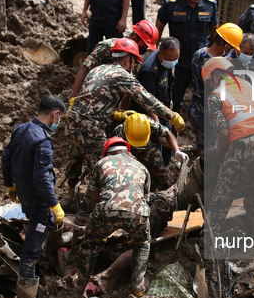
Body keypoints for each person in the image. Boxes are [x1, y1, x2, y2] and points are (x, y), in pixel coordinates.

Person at [67, 38, 185, 212]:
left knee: (76, 160)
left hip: (73, 122)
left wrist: (113, 113)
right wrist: (172, 115)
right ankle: (87, 216)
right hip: (91, 128)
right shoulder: (123, 75)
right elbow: (148, 100)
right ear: (128, 60)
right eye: (134, 63)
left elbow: (93, 99)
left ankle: (71, 199)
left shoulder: (98, 69)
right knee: (102, 171)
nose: (135, 67)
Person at [1, 96, 67, 298]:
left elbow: (6, 158)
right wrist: (54, 205)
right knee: (31, 251)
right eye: (60, 119)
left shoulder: (20, 130)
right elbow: (42, 179)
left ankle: (33, 291)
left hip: (26, 197)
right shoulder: (43, 141)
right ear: (55, 114)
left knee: (35, 243)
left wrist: (10, 185)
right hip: (39, 203)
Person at [73, 137, 152, 296]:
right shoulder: (143, 168)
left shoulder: (101, 164)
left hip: (106, 211)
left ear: (106, 153)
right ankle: (138, 286)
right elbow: (145, 201)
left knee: (89, 243)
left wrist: (98, 228)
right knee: (143, 242)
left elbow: (94, 200)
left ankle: (80, 285)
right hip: (138, 215)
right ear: (128, 152)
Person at [204, 57, 254, 237]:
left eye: (209, 81)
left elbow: (224, 133)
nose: (210, 86)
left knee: (221, 198)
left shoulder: (215, 96)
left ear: (215, 75)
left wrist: (222, 157)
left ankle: (208, 239)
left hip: (242, 146)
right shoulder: (246, 84)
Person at [156, 0, 219, 114]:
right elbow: (158, 28)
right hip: (179, 58)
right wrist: (155, 51)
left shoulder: (210, 5)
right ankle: (174, 117)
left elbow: (215, 31)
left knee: (205, 92)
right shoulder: (171, 4)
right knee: (175, 92)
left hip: (202, 59)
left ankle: (200, 119)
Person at [189, 23, 243, 151]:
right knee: (209, 149)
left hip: (195, 108)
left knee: (201, 145)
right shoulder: (218, 67)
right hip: (207, 114)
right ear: (226, 46)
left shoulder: (199, 53)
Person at [132, 37, 180, 164]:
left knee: (166, 152)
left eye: (176, 59)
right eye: (170, 60)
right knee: (155, 157)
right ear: (160, 54)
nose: (173, 62)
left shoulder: (168, 58)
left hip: (163, 112)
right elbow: (148, 104)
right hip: (150, 119)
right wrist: (158, 130)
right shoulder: (150, 71)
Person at [113, 112, 188, 190]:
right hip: (125, 146)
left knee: (160, 169)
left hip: (145, 144)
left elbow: (168, 133)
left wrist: (177, 151)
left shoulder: (150, 123)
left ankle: (165, 192)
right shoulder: (118, 131)